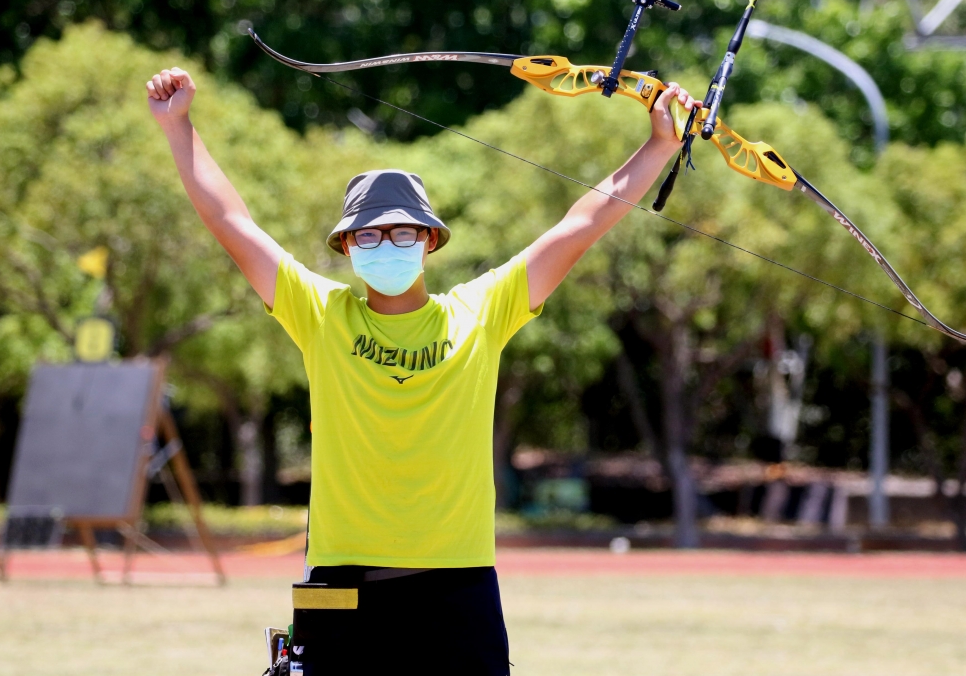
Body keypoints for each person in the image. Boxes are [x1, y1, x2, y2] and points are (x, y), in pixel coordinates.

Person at [147, 66, 697, 675]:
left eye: (403, 231)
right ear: (348, 248)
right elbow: (233, 223)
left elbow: (580, 226)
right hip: (342, 585)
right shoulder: (322, 314)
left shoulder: (481, 310)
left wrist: (659, 146)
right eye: (370, 236)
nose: (387, 244)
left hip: (457, 588)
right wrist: (179, 128)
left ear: (430, 240)